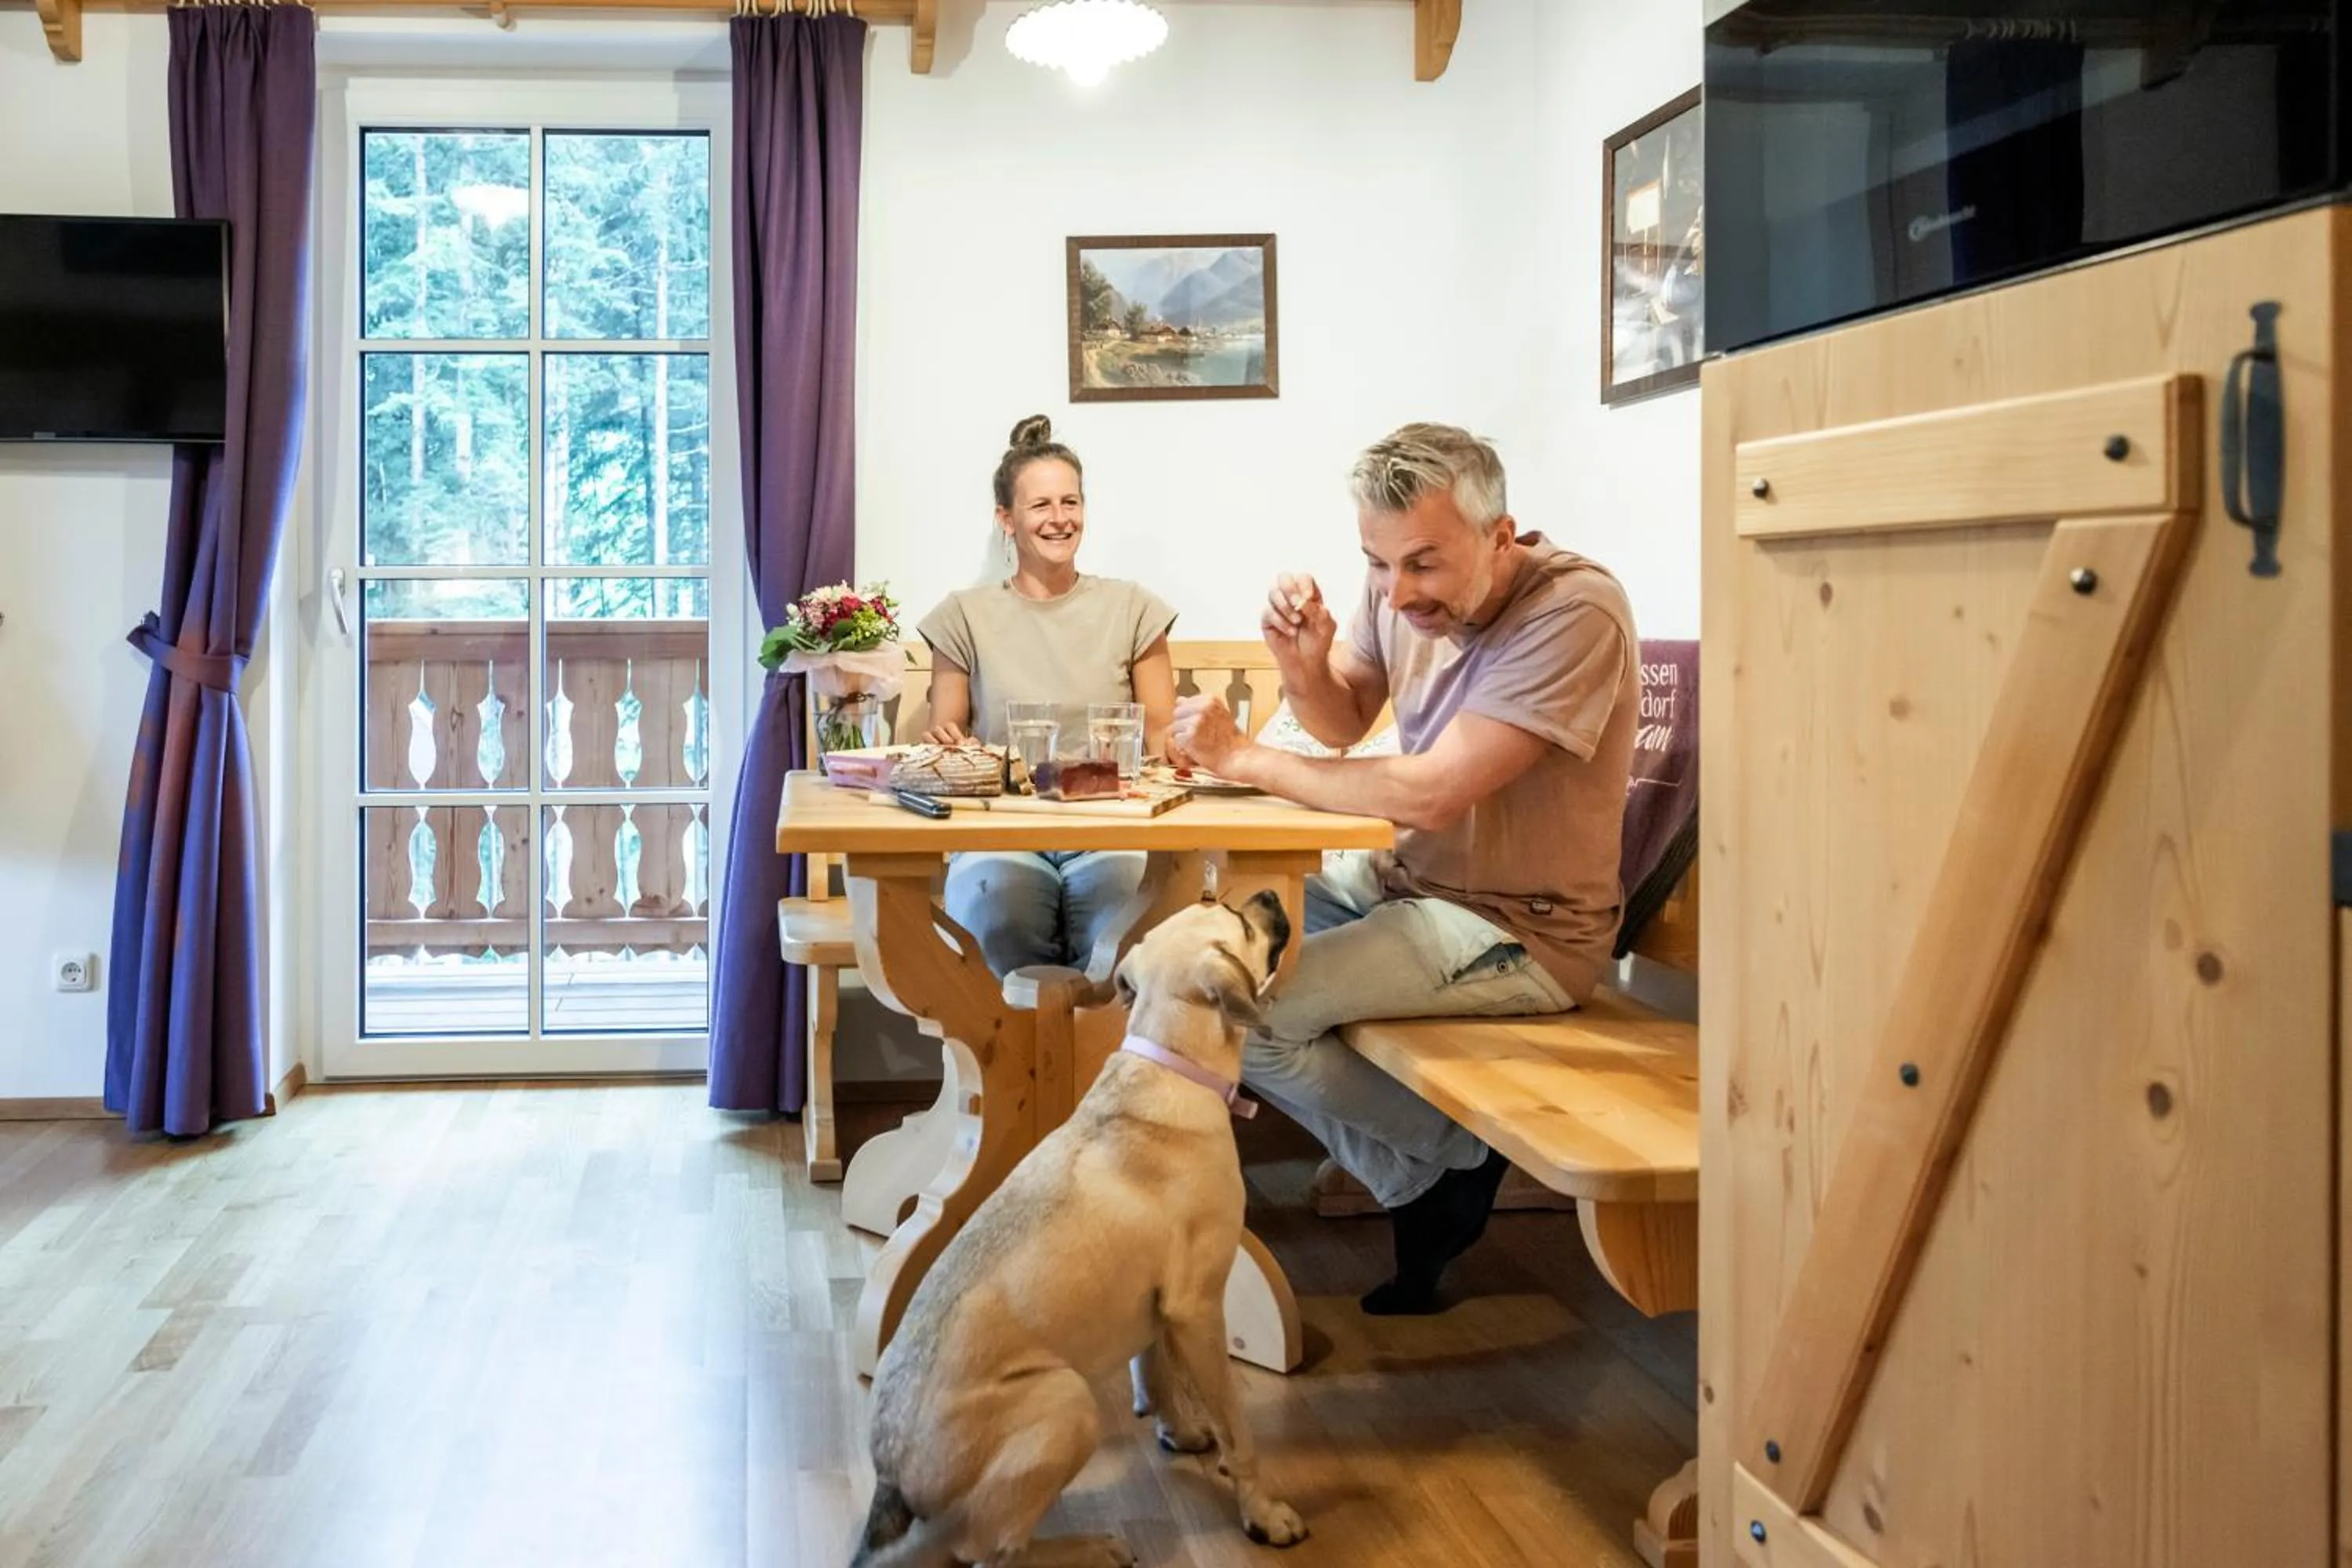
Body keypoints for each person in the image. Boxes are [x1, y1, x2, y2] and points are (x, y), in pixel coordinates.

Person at [1167, 422, 1639, 1315]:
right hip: (1408, 889)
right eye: (1377, 565)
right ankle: (1431, 1166)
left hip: (1520, 930)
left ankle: (1448, 1160)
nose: (1396, 591)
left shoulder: (1575, 611)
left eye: (1422, 564)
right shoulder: (1402, 588)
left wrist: (1250, 758)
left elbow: (1431, 793)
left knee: (1239, 1013)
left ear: (1501, 537)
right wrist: (1300, 666)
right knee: (1197, 959)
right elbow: (1344, 718)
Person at [916, 415, 1180, 976]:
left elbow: (1159, 733)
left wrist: (1186, 743)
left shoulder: (1134, 608)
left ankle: (1104, 1062)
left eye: (1071, 502)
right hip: (1001, 832)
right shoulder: (964, 615)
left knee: (1126, 923)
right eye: (1041, 506)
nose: (1060, 519)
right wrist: (946, 743)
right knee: (1001, 915)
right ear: (1006, 520)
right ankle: (1017, 1063)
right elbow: (949, 734)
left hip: (1111, 830)